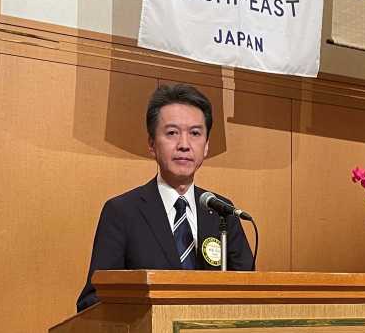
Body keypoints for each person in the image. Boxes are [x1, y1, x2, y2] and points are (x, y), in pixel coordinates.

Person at [76, 84, 253, 311]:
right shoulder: (122, 212)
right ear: (152, 144)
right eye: (172, 133)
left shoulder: (222, 211)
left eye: (195, 133)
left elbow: (249, 292)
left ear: (207, 146)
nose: (184, 145)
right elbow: (93, 300)